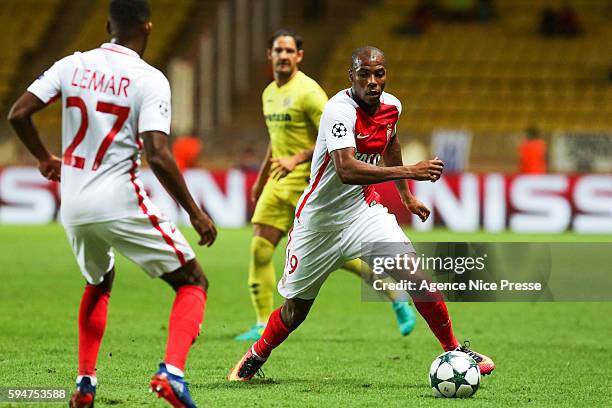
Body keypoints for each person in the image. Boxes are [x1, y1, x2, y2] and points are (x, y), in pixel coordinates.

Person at [228, 46, 495, 381]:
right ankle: (257, 354)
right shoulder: (338, 111)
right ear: (350, 76)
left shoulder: (392, 106)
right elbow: (347, 170)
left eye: (379, 73)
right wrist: (410, 171)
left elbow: (390, 141)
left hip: (362, 214)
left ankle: (454, 349)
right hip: (318, 225)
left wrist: (407, 198)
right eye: (364, 74)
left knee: (417, 279)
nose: (373, 81)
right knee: (296, 311)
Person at [7, 1, 215, 407]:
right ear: (148, 28)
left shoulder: (72, 64)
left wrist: (44, 158)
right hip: (118, 198)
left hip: (73, 203)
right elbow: (157, 154)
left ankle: (85, 385)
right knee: (193, 282)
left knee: (99, 282)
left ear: (108, 26)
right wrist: (194, 210)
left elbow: (18, 114)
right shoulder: (149, 78)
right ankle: (172, 373)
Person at [236, 29, 416, 341]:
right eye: (277, 50)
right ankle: (262, 321)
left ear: (299, 56)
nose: (283, 56)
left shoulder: (310, 93)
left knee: (339, 254)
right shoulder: (268, 93)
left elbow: (332, 138)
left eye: (289, 51)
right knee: (260, 249)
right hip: (278, 183)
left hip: (314, 183)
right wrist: (263, 176)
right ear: (270, 55)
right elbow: (273, 141)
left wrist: (296, 159)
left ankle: (393, 293)